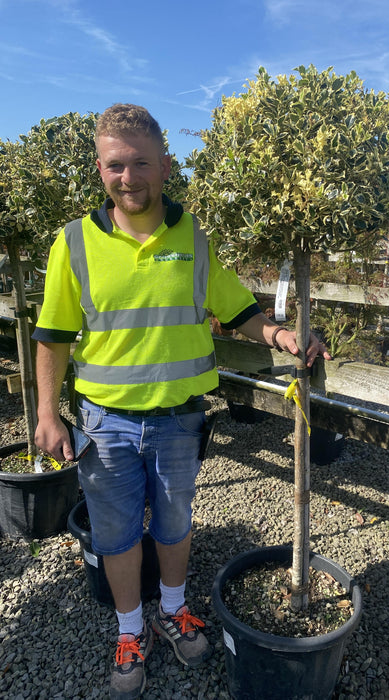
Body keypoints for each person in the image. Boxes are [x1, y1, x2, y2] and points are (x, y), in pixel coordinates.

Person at [33, 103, 330, 699]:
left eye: (142, 162)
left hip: (178, 422)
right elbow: (53, 335)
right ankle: (128, 631)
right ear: (100, 169)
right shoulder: (75, 243)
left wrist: (276, 334)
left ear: (166, 166)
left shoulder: (193, 235)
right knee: (115, 536)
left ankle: (173, 609)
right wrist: (45, 413)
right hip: (106, 424)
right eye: (116, 165)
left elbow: (235, 306)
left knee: (174, 525)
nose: (129, 177)